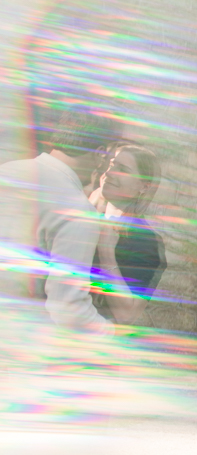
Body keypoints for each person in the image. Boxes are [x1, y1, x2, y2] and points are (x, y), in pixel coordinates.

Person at [0, 108, 118, 334]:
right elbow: (68, 310)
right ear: (100, 153)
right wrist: (113, 336)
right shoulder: (77, 210)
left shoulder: (5, 171)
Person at [88, 141, 167, 324]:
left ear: (144, 187)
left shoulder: (145, 241)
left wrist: (107, 253)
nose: (109, 173)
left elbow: (126, 315)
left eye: (122, 169)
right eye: (112, 164)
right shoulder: (87, 217)